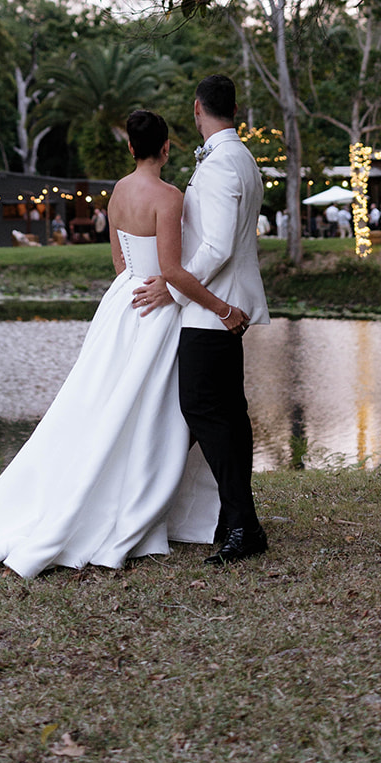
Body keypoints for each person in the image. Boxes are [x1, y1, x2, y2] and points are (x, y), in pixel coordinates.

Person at [0, 108, 243, 578]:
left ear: (130, 148)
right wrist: (221, 307)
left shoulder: (118, 191)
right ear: (166, 147)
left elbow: (120, 262)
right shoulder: (169, 196)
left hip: (123, 302)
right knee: (151, 411)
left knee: (105, 402)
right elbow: (174, 271)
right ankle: (140, 498)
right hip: (155, 306)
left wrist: (138, 285)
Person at [133, 74, 270, 565]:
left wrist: (173, 287)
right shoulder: (243, 159)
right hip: (222, 307)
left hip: (212, 311)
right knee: (228, 415)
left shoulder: (218, 167)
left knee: (207, 412)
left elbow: (214, 246)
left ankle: (242, 524)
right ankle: (238, 520)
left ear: (197, 109)